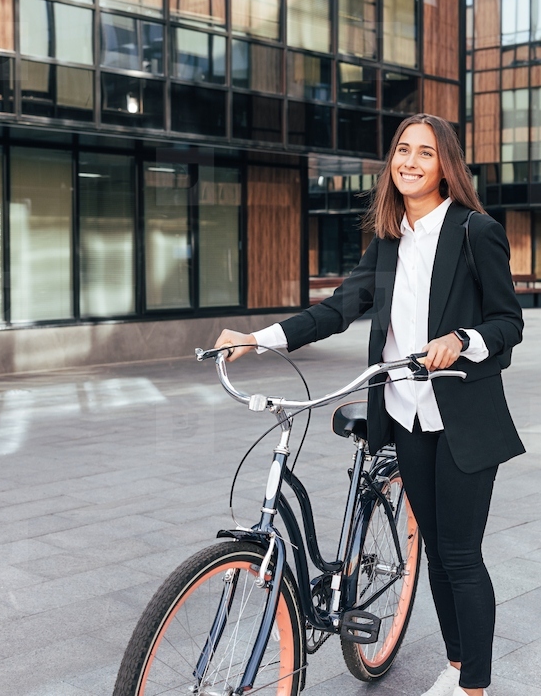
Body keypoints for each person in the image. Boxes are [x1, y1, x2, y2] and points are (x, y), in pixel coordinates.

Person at [214, 113, 524, 696]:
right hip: (404, 413)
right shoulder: (387, 239)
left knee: (460, 556)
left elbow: (509, 323)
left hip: (462, 416)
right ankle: (457, 667)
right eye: (402, 150)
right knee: (432, 549)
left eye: (425, 153)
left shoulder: (473, 231)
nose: (409, 161)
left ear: (445, 166)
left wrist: (462, 341)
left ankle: (473, 689)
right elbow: (338, 309)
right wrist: (260, 339)